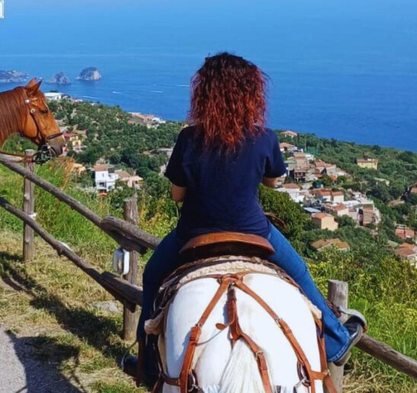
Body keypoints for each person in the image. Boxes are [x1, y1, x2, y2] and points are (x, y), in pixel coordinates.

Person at [128, 52, 365, 386]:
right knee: (300, 274)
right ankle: (337, 340)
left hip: (194, 233)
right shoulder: (263, 137)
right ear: (251, 94)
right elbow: (273, 182)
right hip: (254, 231)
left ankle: (148, 365)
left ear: (204, 94)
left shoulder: (188, 138)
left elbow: (177, 195)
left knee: (153, 275)